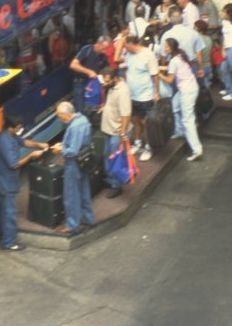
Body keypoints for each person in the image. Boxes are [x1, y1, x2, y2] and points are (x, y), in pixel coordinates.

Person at [0, 117, 49, 251]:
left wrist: (39, 144)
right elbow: (14, 164)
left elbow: (24, 142)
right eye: (18, 128)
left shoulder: (9, 135)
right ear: (10, 127)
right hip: (6, 184)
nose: (19, 130)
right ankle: (9, 242)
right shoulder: (5, 142)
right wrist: (31, 156)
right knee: (9, 213)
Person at [50, 102, 94, 235]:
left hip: (73, 164)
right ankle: (88, 218)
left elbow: (73, 151)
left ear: (67, 114)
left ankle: (72, 225)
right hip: (84, 160)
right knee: (84, 190)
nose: (59, 119)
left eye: (60, 116)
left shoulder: (74, 126)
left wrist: (60, 149)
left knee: (71, 194)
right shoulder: (82, 119)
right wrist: (63, 143)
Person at [160, 37, 204, 161]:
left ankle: (196, 149)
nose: (165, 48)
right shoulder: (180, 55)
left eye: (167, 46)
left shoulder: (174, 60)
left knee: (188, 120)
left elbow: (169, 80)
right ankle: (179, 131)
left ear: (172, 47)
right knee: (174, 106)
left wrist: (158, 74)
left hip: (186, 91)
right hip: (190, 87)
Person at [122, 30, 160, 162]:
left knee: (146, 123)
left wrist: (156, 92)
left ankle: (148, 147)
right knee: (135, 120)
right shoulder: (129, 55)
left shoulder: (148, 55)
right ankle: (137, 143)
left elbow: (155, 75)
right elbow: (128, 71)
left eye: (126, 46)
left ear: (132, 44)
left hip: (146, 96)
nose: (125, 49)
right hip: (132, 96)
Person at [98, 66, 132, 198]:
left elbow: (126, 114)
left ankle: (116, 186)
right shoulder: (112, 87)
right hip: (109, 129)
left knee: (115, 160)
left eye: (107, 81)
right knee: (108, 157)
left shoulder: (122, 91)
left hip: (116, 133)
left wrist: (122, 133)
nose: (105, 84)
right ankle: (110, 180)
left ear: (115, 79)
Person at [69, 35, 111, 117]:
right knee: (80, 110)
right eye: (103, 48)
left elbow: (104, 75)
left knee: (91, 109)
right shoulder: (87, 50)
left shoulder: (103, 58)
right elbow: (73, 65)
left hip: (92, 85)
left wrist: (103, 101)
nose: (104, 51)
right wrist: (88, 72)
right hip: (80, 83)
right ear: (98, 44)